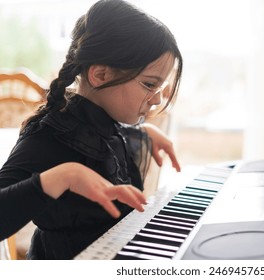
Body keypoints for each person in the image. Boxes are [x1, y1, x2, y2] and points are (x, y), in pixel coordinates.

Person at [0, 0, 183, 260]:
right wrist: (63, 177)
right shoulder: (48, 137)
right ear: (100, 75)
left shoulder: (105, 120)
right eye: (149, 85)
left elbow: (95, 141)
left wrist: (142, 134)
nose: (156, 99)